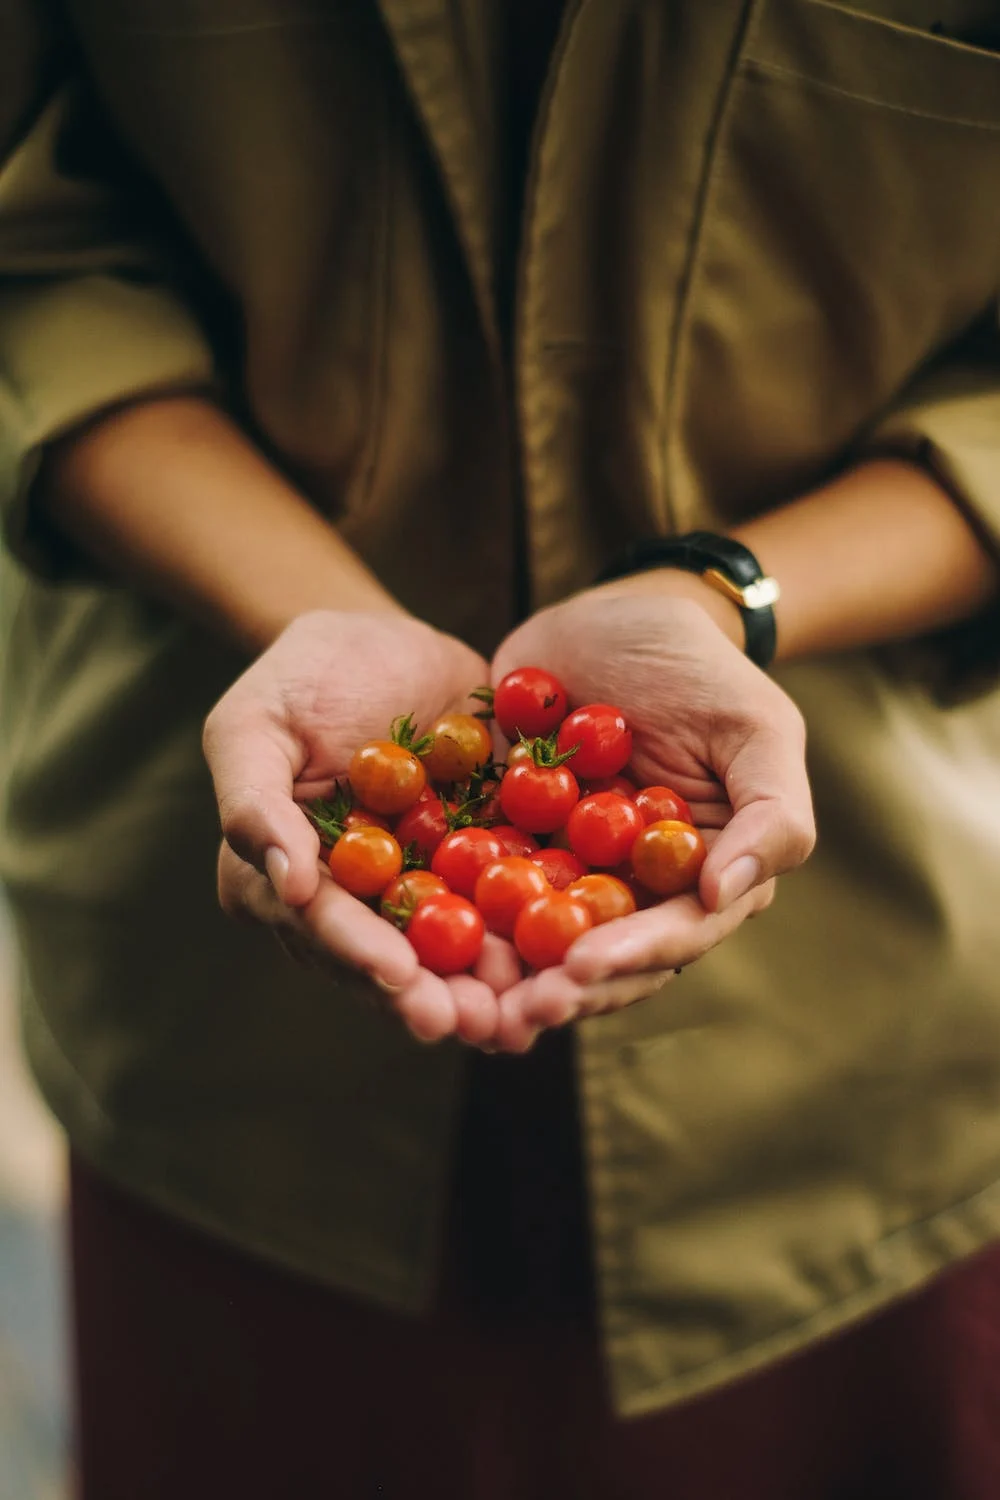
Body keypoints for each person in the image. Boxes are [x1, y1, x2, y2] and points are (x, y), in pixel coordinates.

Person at [2, 0, 1000, 1495]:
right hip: (225, 1053)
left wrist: (722, 598)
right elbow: (35, 252)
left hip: (859, 1050)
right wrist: (321, 619)